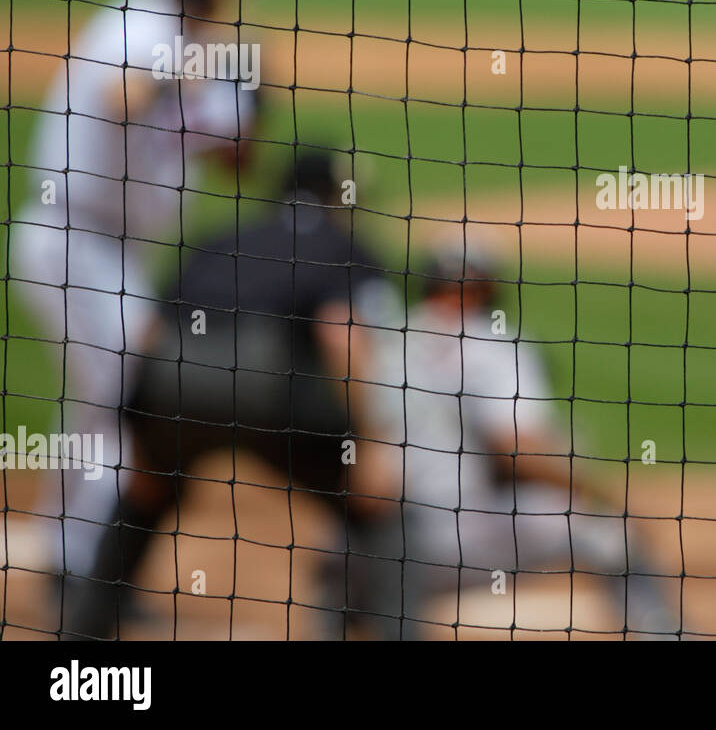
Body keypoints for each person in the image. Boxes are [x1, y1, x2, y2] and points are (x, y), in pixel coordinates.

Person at [58, 150, 400, 639]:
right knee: (378, 509)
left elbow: (151, 330)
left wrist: (139, 427)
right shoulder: (343, 244)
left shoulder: (222, 238)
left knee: (146, 496)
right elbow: (339, 333)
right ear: (332, 196)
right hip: (265, 389)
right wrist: (368, 440)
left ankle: (80, 639)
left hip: (173, 385)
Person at [8, 0, 258, 598]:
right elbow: (122, 94)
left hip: (115, 259)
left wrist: (247, 89)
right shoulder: (141, 24)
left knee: (102, 400)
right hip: (73, 240)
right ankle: (87, 568)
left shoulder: (194, 51)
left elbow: (238, 154)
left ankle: (73, 554)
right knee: (127, 397)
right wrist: (191, 61)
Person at [360, 243, 681, 639]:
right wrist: (605, 495)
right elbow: (519, 448)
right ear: (488, 288)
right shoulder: (492, 343)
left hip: (400, 544)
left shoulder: (389, 343)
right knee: (619, 540)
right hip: (477, 535)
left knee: (339, 579)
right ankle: (662, 635)